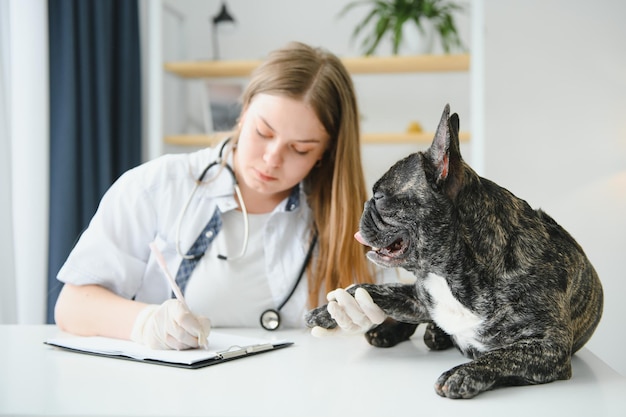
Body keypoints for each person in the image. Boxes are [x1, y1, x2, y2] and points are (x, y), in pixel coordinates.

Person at [54, 41, 381, 350]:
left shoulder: (348, 217)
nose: (271, 159)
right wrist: (145, 322)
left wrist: (375, 321)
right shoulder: (156, 186)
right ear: (242, 113)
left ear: (325, 153)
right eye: (262, 132)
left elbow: (387, 313)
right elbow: (71, 306)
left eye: (299, 149)